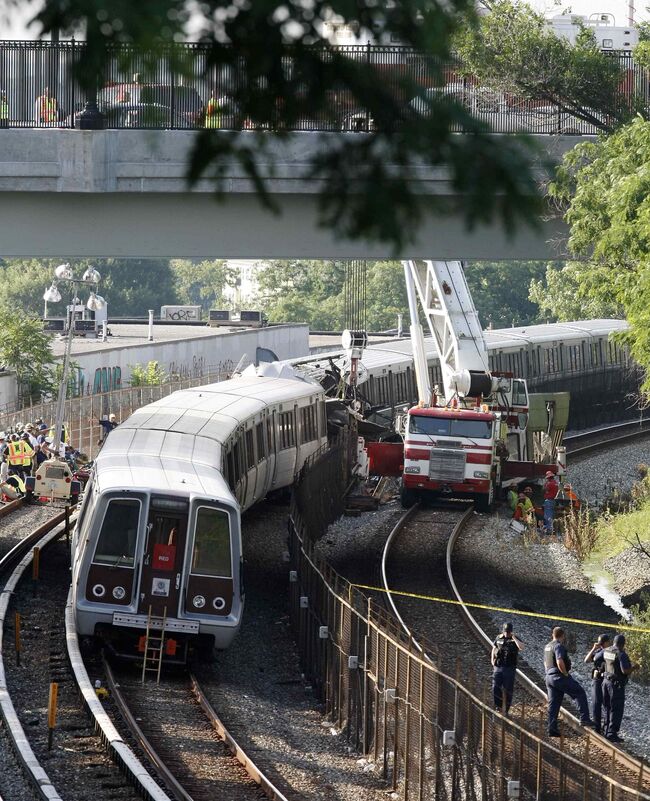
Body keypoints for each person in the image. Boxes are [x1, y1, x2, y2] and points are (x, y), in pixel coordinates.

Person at [544, 626, 594, 736]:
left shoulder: (547, 646)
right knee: (579, 692)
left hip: (549, 677)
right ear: (562, 636)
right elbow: (559, 661)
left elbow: (545, 663)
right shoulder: (558, 646)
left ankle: (552, 729)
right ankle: (585, 718)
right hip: (559, 676)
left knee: (554, 704)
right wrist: (565, 674)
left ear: (553, 634)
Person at [602, 633, 639, 742]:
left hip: (605, 682)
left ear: (614, 642)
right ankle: (612, 733)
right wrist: (634, 667)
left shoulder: (607, 650)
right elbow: (625, 671)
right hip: (616, 685)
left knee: (607, 707)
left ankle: (606, 729)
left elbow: (598, 659)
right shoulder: (621, 654)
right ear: (623, 644)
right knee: (616, 709)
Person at [491, 622, 523, 714]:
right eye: (505, 632)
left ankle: (506, 709)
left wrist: (513, 638)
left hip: (509, 668)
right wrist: (492, 660)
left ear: (511, 632)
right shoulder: (499, 637)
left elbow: (521, 647)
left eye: (508, 632)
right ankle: (498, 706)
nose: (506, 634)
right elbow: (494, 648)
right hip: (499, 666)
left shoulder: (515, 639)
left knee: (508, 689)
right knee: (495, 687)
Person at [584, 633, 611, 734]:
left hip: (605, 680)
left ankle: (605, 727)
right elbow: (586, 660)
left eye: (602, 643)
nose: (602, 645)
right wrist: (593, 649)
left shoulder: (610, 652)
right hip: (597, 679)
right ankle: (597, 727)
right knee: (596, 704)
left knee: (606, 704)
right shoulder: (599, 651)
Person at [543, 470, 559, 535]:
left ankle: (549, 529)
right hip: (554, 500)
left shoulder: (549, 484)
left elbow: (544, 490)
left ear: (548, 477)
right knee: (552, 515)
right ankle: (552, 528)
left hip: (549, 500)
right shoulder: (555, 483)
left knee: (548, 515)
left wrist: (545, 484)